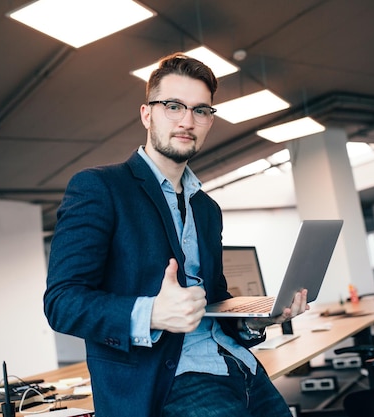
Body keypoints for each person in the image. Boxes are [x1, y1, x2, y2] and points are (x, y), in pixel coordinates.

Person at [44, 52, 310, 417]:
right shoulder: (100, 188)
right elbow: (62, 302)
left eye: (201, 111)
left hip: (239, 366)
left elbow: (214, 299)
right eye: (173, 106)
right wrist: (151, 312)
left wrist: (252, 321)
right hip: (171, 381)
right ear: (146, 114)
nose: (187, 121)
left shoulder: (207, 209)